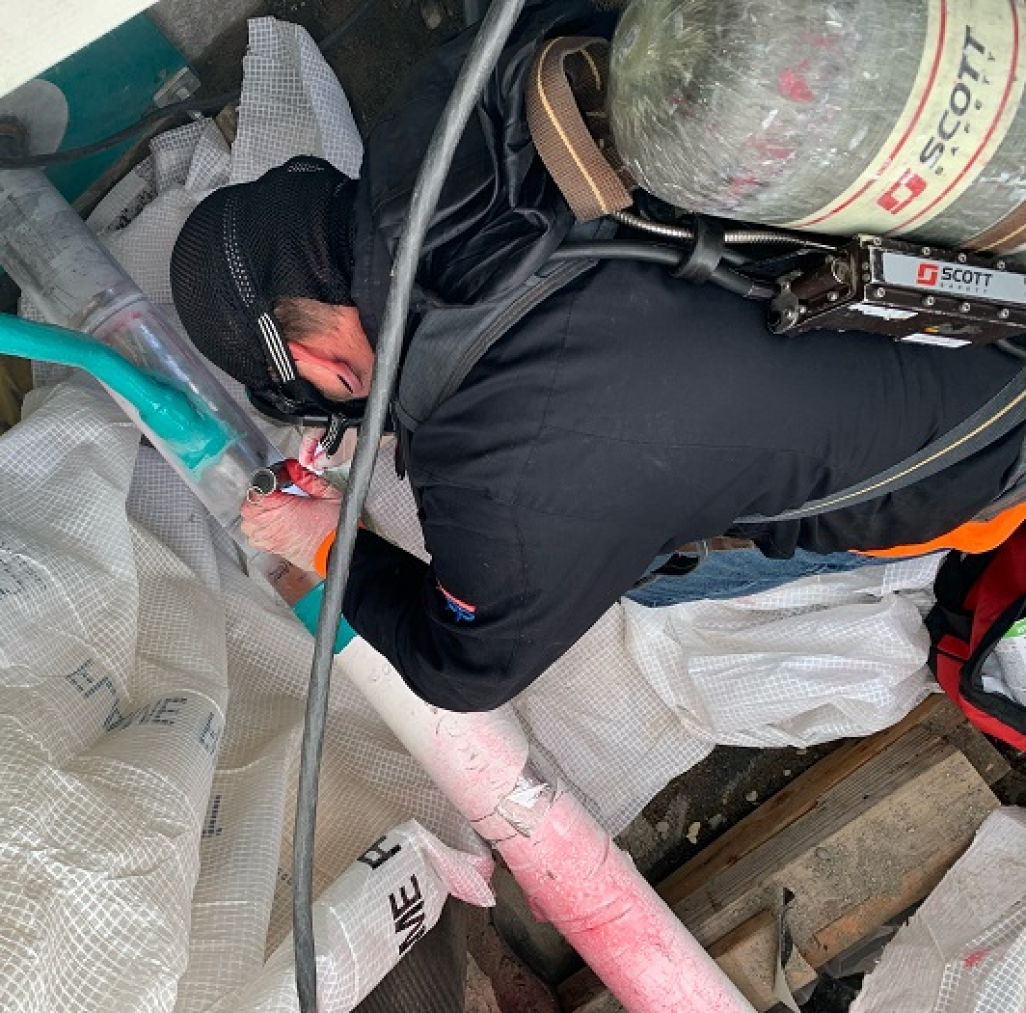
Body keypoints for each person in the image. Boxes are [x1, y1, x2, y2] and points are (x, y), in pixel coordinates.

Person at [169, 0, 1026, 713]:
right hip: (982, 221)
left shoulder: (497, 483)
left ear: (320, 364)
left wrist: (328, 542)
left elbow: (462, 670)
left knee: (647, 578)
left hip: (993, 443)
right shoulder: (469, 90)